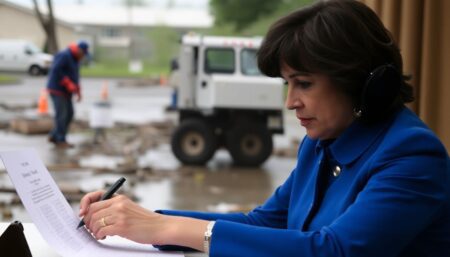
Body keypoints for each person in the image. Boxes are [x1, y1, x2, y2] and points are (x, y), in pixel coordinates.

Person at [78, 1, 450, 256]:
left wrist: (163, 230)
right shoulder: (322, 142)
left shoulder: (413, 156)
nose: (291, 102)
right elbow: (265, 222)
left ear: (357, 81)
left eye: (303, 84)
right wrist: (147, 220)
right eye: (288, 84)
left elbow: (335, 250)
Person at [47, 41, 89, 148]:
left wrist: (78, 91)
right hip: (57, 89)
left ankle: (54, 135)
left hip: (66, 92)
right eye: (83, 54)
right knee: (62, 115)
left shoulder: (76, 60)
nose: (83, 56)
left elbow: (75, 76)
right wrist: (67, 82)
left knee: (70, 113)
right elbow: (56, 70)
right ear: (79, 50)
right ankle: (61, 140)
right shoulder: (65, 55)